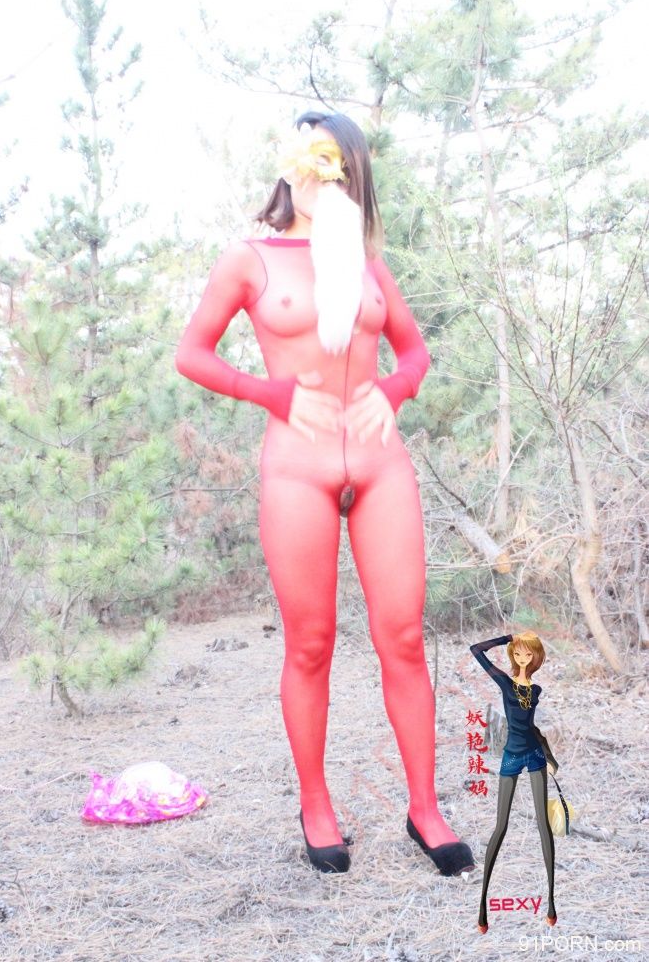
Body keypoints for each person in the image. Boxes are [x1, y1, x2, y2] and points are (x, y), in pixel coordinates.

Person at [175, 109, 474, 877]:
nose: (320, 174)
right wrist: (269, 393)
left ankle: (424, 809)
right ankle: (315, 804)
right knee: (310, 642)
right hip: (296, 467)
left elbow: (414, 353)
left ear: (353, 173)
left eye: (335, 161)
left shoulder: (368, 265)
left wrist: (395, 391)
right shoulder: (249, 258)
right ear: (288, 166)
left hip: (380, 465)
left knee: (402, 638)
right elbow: (192, 354)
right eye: (309, 157)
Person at [470, 631, 558, 931]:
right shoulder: (505, 683)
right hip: (511, 756)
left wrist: (550, 756)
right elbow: (476, 649)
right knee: (501, 826)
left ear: (536, 658)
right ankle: (482, 906)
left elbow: (532, 728)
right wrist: (506, 638)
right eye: (518, 653)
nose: (522, 658)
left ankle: (551, 902)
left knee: (543, 824)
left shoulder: (536, 690)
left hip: (534, 755)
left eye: (528, 654)